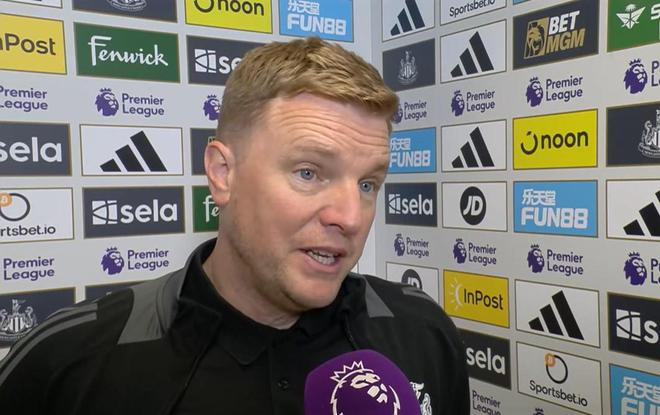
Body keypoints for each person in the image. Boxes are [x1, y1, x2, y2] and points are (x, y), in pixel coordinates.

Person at [0, 37, 469, 414]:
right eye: (309, 173)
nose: (350, 217)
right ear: (223, 174)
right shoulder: (70, 361)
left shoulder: (423, 335)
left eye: (368, 184)